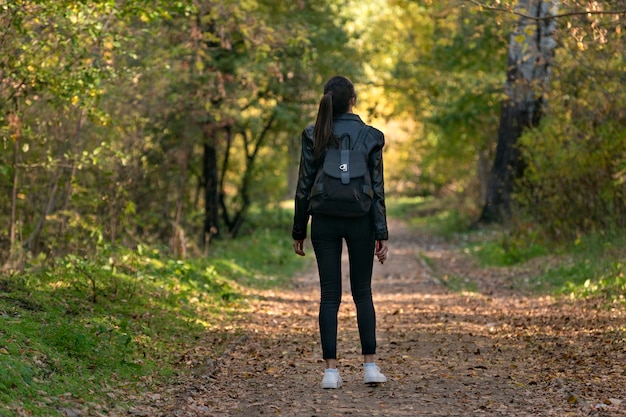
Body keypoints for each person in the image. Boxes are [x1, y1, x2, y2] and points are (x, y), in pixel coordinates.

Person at [292, 75, 389, 389]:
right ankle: (370, 366)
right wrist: (381, 232)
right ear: (353, 100)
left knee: (329, 296)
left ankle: (330, 372)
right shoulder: (371, 136)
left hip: (324, 220)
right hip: (361, 218)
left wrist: (298, 229)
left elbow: (303, 186)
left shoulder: (313, 134)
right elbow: (377, 188)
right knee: (363, 293)